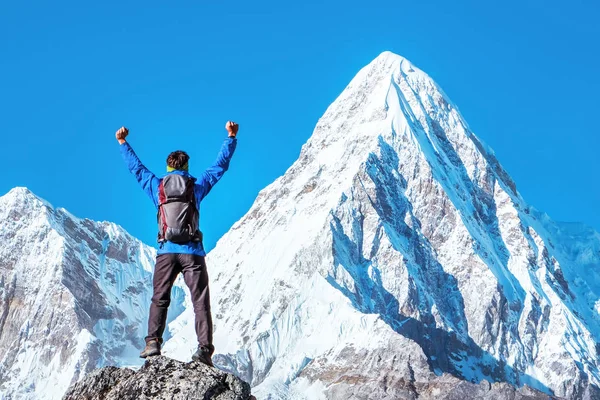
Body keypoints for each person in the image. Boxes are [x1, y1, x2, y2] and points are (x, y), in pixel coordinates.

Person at [116, 121, 239, 366]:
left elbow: (136, 169)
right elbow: (219, 167)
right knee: (200, 302)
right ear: (186, 166)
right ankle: (204, 351)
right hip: (193, 252)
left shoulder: (157, 186)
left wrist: (123, 142)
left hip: (166, 252)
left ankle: (152, 343)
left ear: (168, 166)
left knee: (159, 299)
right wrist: (231, 137)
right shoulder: (196, 186)